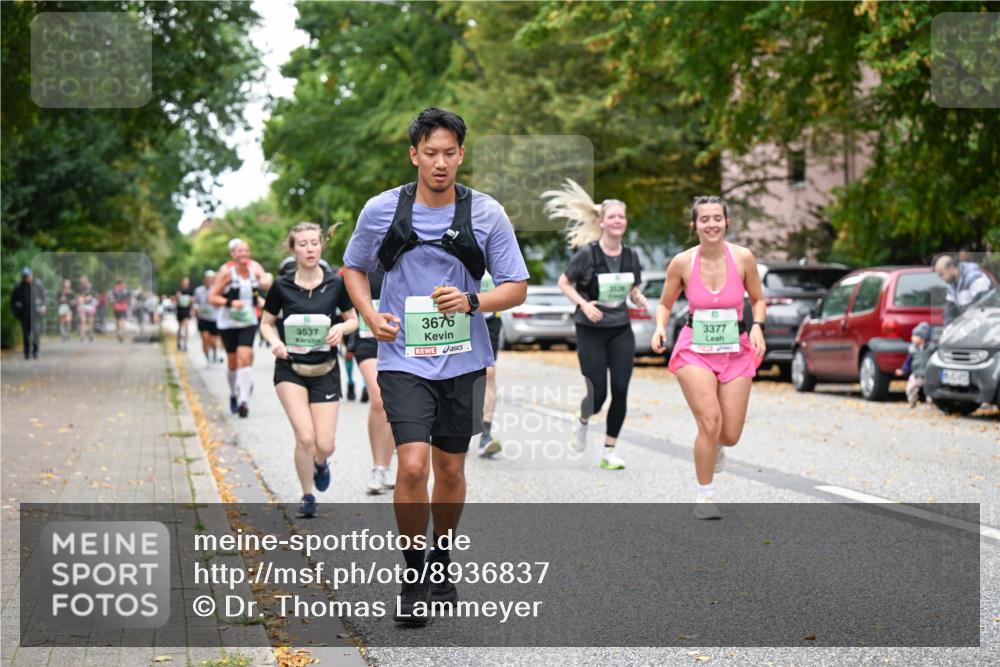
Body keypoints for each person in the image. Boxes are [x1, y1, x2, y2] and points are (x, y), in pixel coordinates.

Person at [342, 107, 528, 624]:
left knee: (450, 469)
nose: (440, 163)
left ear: (461, 154)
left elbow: (516, 286)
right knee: (412, 466)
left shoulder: (486, 213)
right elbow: (353, 268)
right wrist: (369, 315)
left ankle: (441, 559)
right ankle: (413, 575)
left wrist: (472, 302)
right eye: (430, 153)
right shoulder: (382, 210)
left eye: (449, 153)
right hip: (402, 359)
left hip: (464, 361)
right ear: (414, 155)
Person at [651, 196, 766, 520]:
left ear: (726, 222)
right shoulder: (682, 262)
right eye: (705, 219)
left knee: (729, 435)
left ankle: (715, 445)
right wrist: (659, 327)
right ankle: (705, 496)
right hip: (694, 349)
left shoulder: (743, 258)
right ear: (694, 225)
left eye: (717, 218)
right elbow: (665, 303)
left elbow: (758, 299)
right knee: (710, 422)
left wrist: (757, 327)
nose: (712, 224)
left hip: (735, 349)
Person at [547, 179, 647, 471]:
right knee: (598, 393)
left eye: (621, 217)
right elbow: (564, 282)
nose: (618, 221)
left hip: (620, 328)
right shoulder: (588, 254)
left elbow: (632, 288)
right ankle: (582, 420)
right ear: (602, 222)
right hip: (591, 330)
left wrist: (637, 297)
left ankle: (609, 450)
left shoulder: (631, 256)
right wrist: (584, 304)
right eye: (612, 216)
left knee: (621, 390)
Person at [260, 223, 357, 517]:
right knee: (305, 437)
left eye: (314, 242)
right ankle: (307, 495)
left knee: (324, 444)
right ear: (293, 250)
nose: (310, 249)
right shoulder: (281, 286)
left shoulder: (336, 284)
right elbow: (266, 324)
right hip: (290, 369)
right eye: (302, 244)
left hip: (325, 368)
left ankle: (320, 462)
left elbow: (353, 319)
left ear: (321, 246)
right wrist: (275, 343)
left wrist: (341, 328)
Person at [209, 238, 273, 418]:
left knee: (245, 356)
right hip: (228, 322)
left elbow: (266, 281)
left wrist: (266, 282)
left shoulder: (254, 268)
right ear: (233, 254)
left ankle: (244, 401)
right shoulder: (226, 273)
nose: (244, 254)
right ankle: (233, 393)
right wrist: (230, 303)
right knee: (232, 362)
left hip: (248, 321)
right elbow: (212, 297)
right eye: (240, 251)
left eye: (246, 250)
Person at [352, 265, 396, 494]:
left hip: (398, 343)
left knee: (395, 403)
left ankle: (386, 466)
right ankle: (377, 467)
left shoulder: (404, 261)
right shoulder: (361, 265)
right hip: (368, 341)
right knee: (379, 397)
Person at [477, 271, 504, 457]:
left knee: (489, 373)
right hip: (459, 316)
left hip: (490, 319)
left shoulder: (497, 254)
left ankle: (485, 435)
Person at [933, 254, 992, 327]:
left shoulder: (975, 278)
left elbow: (983, 307)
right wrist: (948, 329)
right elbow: (950, 312)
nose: (941, 278)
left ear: (951, 268)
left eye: (941, 274)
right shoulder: (952, 285)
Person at [895, 321, 936, 408]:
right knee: (910, 388)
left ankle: (931, 403)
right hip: (917, 374)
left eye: (915, 336)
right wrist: (903, 370)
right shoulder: (913, 349)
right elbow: (908, 362)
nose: (912, 338)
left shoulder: (931, 348)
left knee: (930, 391)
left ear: (923, 338)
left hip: (928, 375)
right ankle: (912, 402)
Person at [11, 267, 46, 359]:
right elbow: (13, 301)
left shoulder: (38, 285)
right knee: (26, 334)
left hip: (36, 314)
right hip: (24, 315)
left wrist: (43, 306)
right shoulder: (19, 287)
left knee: (36, 333)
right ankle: (26, 353)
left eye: (27, 276)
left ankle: (35, 351)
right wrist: (17, 311)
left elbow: (44, 297)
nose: (26, 278)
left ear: (31, 275)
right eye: (24, 276)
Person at [193, 270, 222, 364]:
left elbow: (222, 302)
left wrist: (217, 303)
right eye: (207, 279)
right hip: (203, 318)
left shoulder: (217, 290)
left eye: (211, 279)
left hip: (214, 318)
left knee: (213, 340)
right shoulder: (198, 290)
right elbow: (195, 302)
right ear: (204, 280)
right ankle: (207, 357)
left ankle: (214, 352)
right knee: (205, 337)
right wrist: (196, 308)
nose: (209, 281)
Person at [175, 276, 194, 351]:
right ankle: (179, 342)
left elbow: (192, 300)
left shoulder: (190, 291)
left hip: (187, 311)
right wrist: (178, 297)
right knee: (180, 327)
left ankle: (185, 344)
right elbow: (176, 300)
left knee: (186, 327)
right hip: (180, 310)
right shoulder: (179, 290)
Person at [110, 278, 131, 342]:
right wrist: (128, 303)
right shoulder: (125, 289)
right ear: (122, 282)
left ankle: (118, 331)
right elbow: (129, 297)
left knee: (117, 319)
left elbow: (111, 298)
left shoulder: (113, 289)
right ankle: (121, 331)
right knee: (122, 319)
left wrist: (114, 302)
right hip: (123, 306)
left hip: (116, 306)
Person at [77, 275, 96, 341]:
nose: (82, 283)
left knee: (90, 320)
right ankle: (82, 335)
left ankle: (91, 333)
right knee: (83, 320)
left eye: (83, 282)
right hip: (83, 304)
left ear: (87, 281)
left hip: (90, 304)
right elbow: (78, 296)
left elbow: (94, 295)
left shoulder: (91, 287)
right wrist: (81, 298)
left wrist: (89, 297)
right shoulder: (80, 288)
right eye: (81, 282)